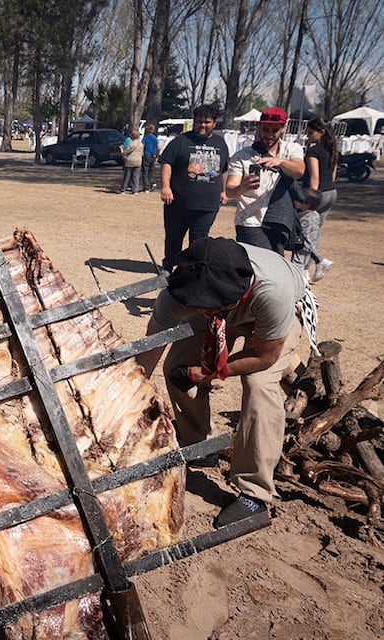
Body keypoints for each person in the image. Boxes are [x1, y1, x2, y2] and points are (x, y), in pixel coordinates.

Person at [136, 237, 308, 528]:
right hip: (223, 306)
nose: (201, 309)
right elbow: (149, 352)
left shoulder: (272, 292)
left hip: (269, 317)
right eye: (198, 304)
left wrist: (208, 372)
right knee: (176, 367)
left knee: (259, 386)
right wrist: (132, 396)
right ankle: (200, 446)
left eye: (207, 305)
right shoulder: (181, 294)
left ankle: (255, 492)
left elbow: (265, 357)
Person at [158, 104, 230, 272]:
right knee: (173, 238)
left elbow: (224, 169)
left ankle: (191, 270)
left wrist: (224, 191)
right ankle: (169, 266)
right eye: (199, 122)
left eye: (207, 122)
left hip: (207, 206)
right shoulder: (181, 141)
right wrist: (166, 187)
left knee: (199, 241)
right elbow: (166, 163)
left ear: (214, 123)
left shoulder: (221, 144)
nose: (202, 125)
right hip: (178, 203)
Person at [226, 106, 305, 255]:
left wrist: (280, 162)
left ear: (283, 128)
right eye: (265, 129)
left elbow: (299, 169)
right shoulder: (242, 156)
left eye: (274, 130)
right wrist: (242, 187)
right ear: (259, 127)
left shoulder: (291, 149)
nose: (269, 134)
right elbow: (230, 190)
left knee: (277, 265)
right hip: (250, 221)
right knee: (263, 266)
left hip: (279, 218)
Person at [291, 118, 338, 281]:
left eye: (311, 133)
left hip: (318, 194)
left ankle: (311, 265)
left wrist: (310, 199)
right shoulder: (332, 149)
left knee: (305, 231)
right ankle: (312, 267)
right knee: (315, 232)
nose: (308, 136)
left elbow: (314, 178)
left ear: (321, 132)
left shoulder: (314, 151)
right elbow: (333, 174)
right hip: (331, 191)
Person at [119, 129, 142, 194]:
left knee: (127, 176)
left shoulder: (131, 144)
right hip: (138, 161)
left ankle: (123, 189)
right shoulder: (141, 144)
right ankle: (135, 190)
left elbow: (125, 152)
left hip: (130, 161)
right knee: (136, 176)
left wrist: (121, 149)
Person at [140, 123, 158, 192]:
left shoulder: (146, 137)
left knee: (145, 171)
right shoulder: (154, 138)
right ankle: (153, 182)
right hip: (153, 155)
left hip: (146, 154)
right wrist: (156, 155)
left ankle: (146, 187)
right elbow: (157, 147)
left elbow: (142, 145)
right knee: (151, 170)